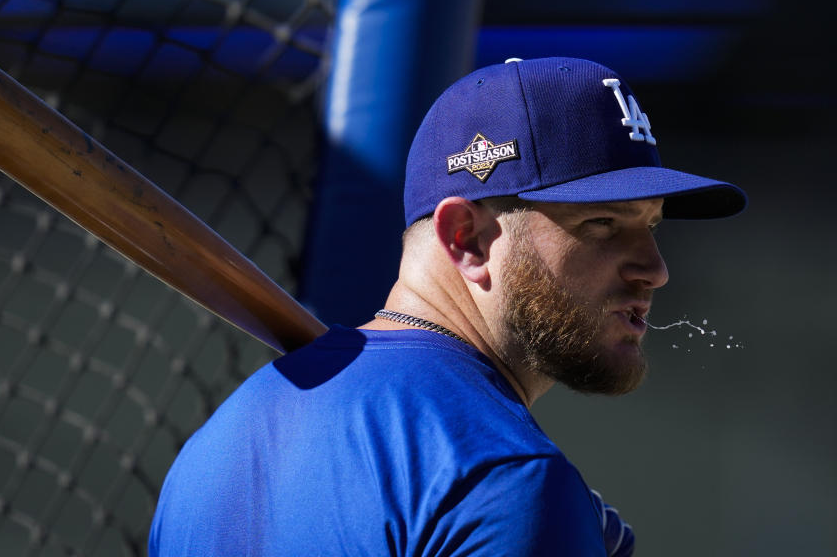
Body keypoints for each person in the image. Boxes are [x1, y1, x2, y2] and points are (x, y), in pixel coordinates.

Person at [148, 57, 746, 556]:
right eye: (601, 223)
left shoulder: (214, 448)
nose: (656, 270)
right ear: (465, 236)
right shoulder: (505, 477)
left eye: (652, 226)